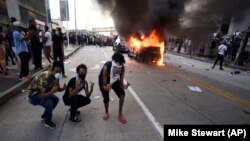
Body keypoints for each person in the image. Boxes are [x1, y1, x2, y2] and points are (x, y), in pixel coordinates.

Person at [28, 61, 66, 129]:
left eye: (60, 72)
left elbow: (57, 88)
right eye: (57, 71)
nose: (58, 73)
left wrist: (63, 88)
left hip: (44, 93)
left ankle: (45, 115)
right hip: (34, 95)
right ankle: (47, 121)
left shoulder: (56, 76)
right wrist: (51, 92)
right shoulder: (45, 76)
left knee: (55, 99)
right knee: (49, 103)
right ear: (52, 69)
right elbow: (43, 96)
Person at [98, 52, 130, 124]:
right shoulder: (107, 66)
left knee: (122, 94)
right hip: (104, 81)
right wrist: (106, 87)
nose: (119, 66)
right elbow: (104, 85)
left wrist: (125, 86)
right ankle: (106, 112)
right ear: (114, 61)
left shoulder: (122, 68)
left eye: (121, 64)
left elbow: (121, 84)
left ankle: (120, 114)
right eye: (118, 64)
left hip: (114, 79)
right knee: (106, 98)